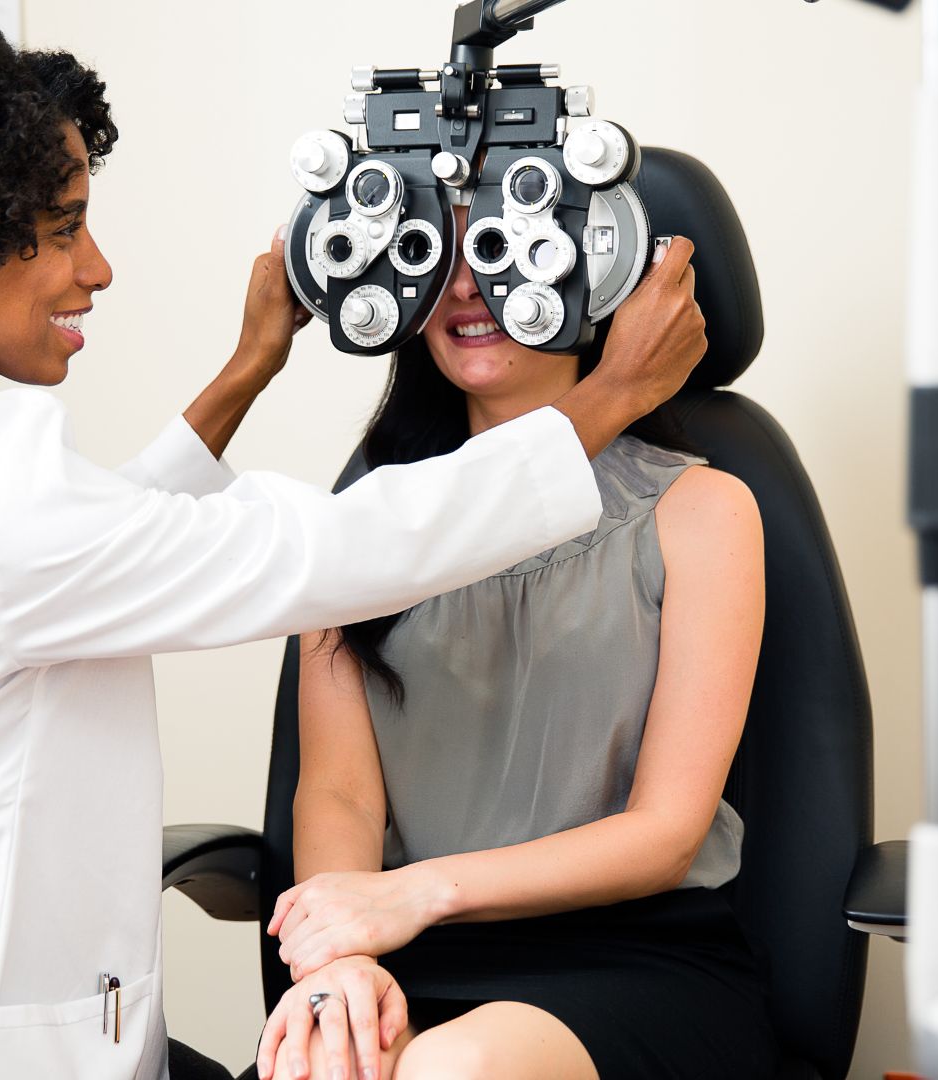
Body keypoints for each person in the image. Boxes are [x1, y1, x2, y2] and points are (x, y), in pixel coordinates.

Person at [0, 3, 707, 1079]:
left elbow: (89, 550)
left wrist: (248, 369)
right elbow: (316, 554)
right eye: (62, 233)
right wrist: (605, 398)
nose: (96, 269)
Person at [257, 209, 775, 1080]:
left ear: (592, 269)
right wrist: (339, 959)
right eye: (438, 255)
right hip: (409, 952)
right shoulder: (365, 530)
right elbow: (339, 793)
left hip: (632, 963)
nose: (466, 285)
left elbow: (667, 833)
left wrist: (412, 894)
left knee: (451, 1071)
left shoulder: (703, 512)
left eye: (500, 249)